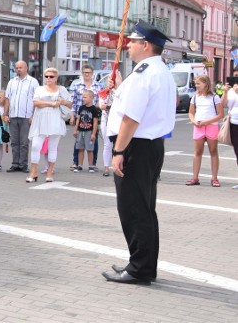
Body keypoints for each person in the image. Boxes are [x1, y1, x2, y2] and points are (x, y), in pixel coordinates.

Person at [103, 19, 175, 285]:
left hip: (136, 146)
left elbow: (130, 119)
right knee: (144, 208)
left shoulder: (144, 73)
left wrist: (119, 150)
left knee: (133, 208)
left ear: (145, 45)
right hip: (151, 145)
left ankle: (139, 268)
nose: (128, 45)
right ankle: (143, 263)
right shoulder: (158, 71)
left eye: (132, 41)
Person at [26, 68, 71, 183]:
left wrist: (63, 102)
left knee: (52, 147)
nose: (48, 78)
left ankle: (50, 172)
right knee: (36, 146)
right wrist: (51, 103)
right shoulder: (40, 89)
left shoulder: (62, 89)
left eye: (51, 76)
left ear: (56, 78)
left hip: (55, 120)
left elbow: (70, 104)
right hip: (40, 119)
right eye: (46, 76)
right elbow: (36, 102)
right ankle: (33, 171)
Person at [186, 74, 222, 187]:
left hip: (211, 126)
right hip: (198, 126)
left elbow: (221, 114)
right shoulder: (195, 97)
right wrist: (193, 121)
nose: (196, 86)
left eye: (198, 83)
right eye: (196, 83)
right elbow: (191, 112)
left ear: (206, 84)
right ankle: (195, 177)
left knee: (213, 151)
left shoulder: (214, 97)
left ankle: (214, 178)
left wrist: (207, 122)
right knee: (197, 152)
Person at [4, 60, 38, 172]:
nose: (18, 69)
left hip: (26, 116)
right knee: (14, 142)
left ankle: (23, 165)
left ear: (26, 68)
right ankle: (15, 164)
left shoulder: (33, 82)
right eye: (17, 67)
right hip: (13, 116)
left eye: (20, 67)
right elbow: (7, 99)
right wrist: (5, 114)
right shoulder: (11, 82)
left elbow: (36, 100)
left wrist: (33, 115)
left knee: (24, 142)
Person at [69, 65, 102, 171]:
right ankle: (76, 162)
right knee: (79, 141)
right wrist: (72, 115)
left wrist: (98, 107)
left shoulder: (98, 85)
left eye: (88, 72)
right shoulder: (77, 85)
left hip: (93, 116)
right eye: (84, 72)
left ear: (92, 73)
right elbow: (72, 101)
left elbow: (101, 100)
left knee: (93, 140)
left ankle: (93, 164)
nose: (86, 74)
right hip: (81, 115)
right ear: (82, 73)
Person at [99, 73, 122, 177]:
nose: (111, 80)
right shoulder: (104, 92)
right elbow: (102, 106)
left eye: (113, 78)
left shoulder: (121, 92)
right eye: (110, 78)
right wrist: (110, 107)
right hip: (106, 120)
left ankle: (118, 166)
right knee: (107, 144)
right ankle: (106, 167)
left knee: (119, 144)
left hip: (119, 122)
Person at [73, 90, 101, 173]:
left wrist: (94, 133)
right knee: (80, 148)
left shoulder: (94, 109)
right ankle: (80, 165)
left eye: (85, 97)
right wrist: (75, 130)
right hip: (81, 131)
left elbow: (95, 122)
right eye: (82, 97)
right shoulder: (81, 108)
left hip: (89, 131)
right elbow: (78, 119)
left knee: (90, 149)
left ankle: (91, 166)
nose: (83, 98)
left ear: (91, 98)